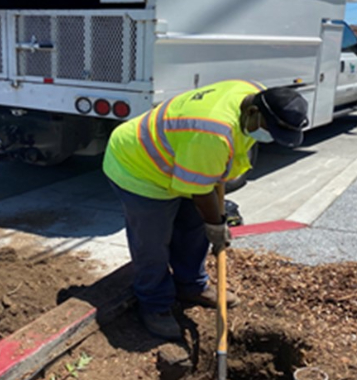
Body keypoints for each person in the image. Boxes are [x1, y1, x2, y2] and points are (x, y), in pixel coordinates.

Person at [103, 80, 308, 340]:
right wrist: (216, 224)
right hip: (140, 167)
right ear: (253, 112)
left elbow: (203, 185)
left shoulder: (253, 91)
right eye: (270, 130)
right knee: (152, 243)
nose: (269, 138)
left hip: (184, 157)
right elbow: (200, 190)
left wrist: (211, 220)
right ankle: (155, 305)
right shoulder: (213, 132)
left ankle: (191, 285)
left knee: (193, 227)